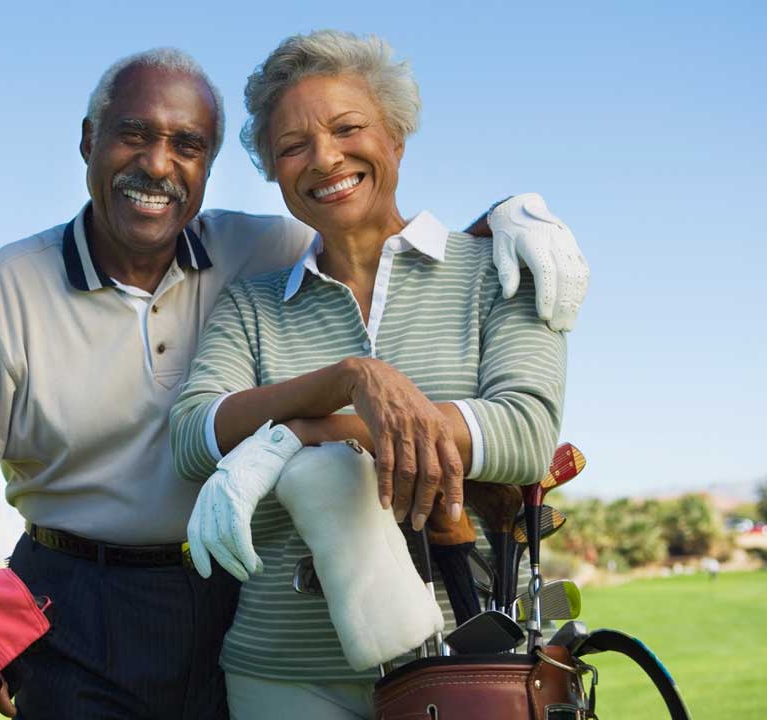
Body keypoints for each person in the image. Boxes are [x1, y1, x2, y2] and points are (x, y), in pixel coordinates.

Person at [0, 46, 587, 719]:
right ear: (88, 141)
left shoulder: (255, 250)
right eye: (132, 135)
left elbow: (383, 240)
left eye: (187, 145)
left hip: (224, 588)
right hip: (76, 597)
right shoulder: (9, 289)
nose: (158, 164)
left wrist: (512, 213)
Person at [171, 31, 569, 718]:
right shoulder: (253, 303)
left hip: (470, 668)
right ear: (272, 169)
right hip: (282, 673)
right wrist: (352, 379)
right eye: (293, 146)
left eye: (348, 128)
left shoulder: (496, 271)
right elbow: (193, 436)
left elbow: (524, 432)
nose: (324, 158)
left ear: (396, 139)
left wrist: (291, 436)